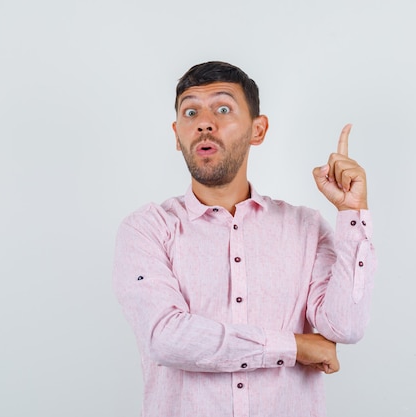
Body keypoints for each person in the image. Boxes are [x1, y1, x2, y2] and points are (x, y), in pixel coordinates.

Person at [113, 61, 377, 417]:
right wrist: (294, 347)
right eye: (191, 112)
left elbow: (344, 325)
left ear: (258, 129)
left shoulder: (305, 227)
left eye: (223, 108)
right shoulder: (147, 229)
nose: (205, 122)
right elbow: (166, 337)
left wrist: (352, 213)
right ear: (177, 135)